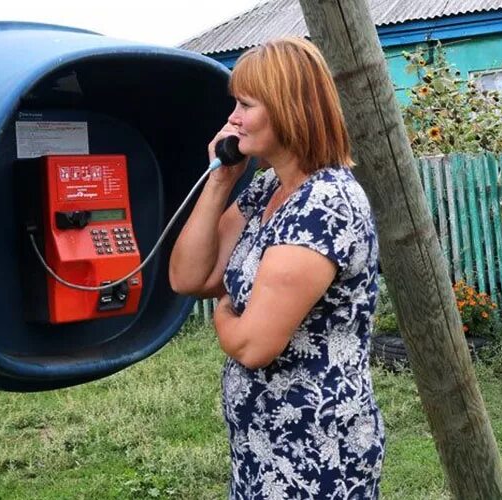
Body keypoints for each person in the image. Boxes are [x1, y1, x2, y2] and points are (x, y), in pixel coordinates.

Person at [169, 37, 384, 499]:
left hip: (316, 452)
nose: (233, 118)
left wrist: (226, 307)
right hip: (261, 447)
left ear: (289, 109)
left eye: (246, 104)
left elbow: (252, 345)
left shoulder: (325, 204)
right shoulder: (268, 189)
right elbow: (189, 277)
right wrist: (220, 179)